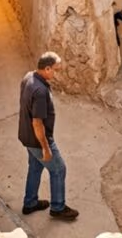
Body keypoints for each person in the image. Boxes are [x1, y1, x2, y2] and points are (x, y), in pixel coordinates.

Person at [18, 52, 79, 221]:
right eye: (56, 70)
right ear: (47, 68)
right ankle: (58, 207)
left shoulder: (28, 77)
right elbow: (37, 123)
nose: (57, 74)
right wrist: (45, 148)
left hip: (26, 136)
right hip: (37, 140)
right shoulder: (40, 91)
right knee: (58, 169)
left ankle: (30, 203)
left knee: (35, 167)